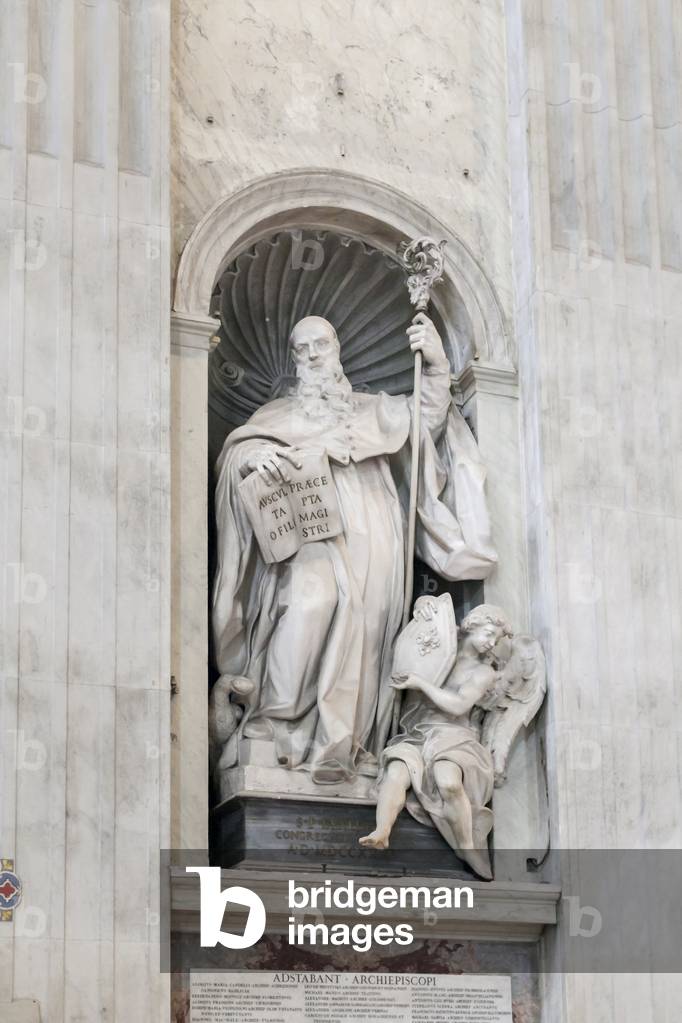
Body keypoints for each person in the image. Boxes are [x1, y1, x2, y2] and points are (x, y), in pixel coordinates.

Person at [212, 313, 497, 783]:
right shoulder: (276, 417)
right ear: (293, 360)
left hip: (373, 529)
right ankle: (275, 727)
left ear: (337, 348)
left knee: (366, 627)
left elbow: (426, 417)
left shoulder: (371, 410)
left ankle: (348, 744)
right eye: (301, 349)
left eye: (320, 344)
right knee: (308, 606)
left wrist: (435, 364)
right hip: (308, 534)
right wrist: (252, 457)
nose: (312, 355)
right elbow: (237, 452)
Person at [359, 604, 513, 879]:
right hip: (417, 732)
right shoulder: (440, 641)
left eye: (496, 640)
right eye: (489, 634)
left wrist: (421, 684)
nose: (491, 643)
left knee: (448, 781)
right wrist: (422, 604)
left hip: (455, 737)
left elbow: (458, 705)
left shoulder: (484, 672)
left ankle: (468, 847)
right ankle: (382, 831)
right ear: (472, 625)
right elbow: (427, 621)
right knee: (397, 772)